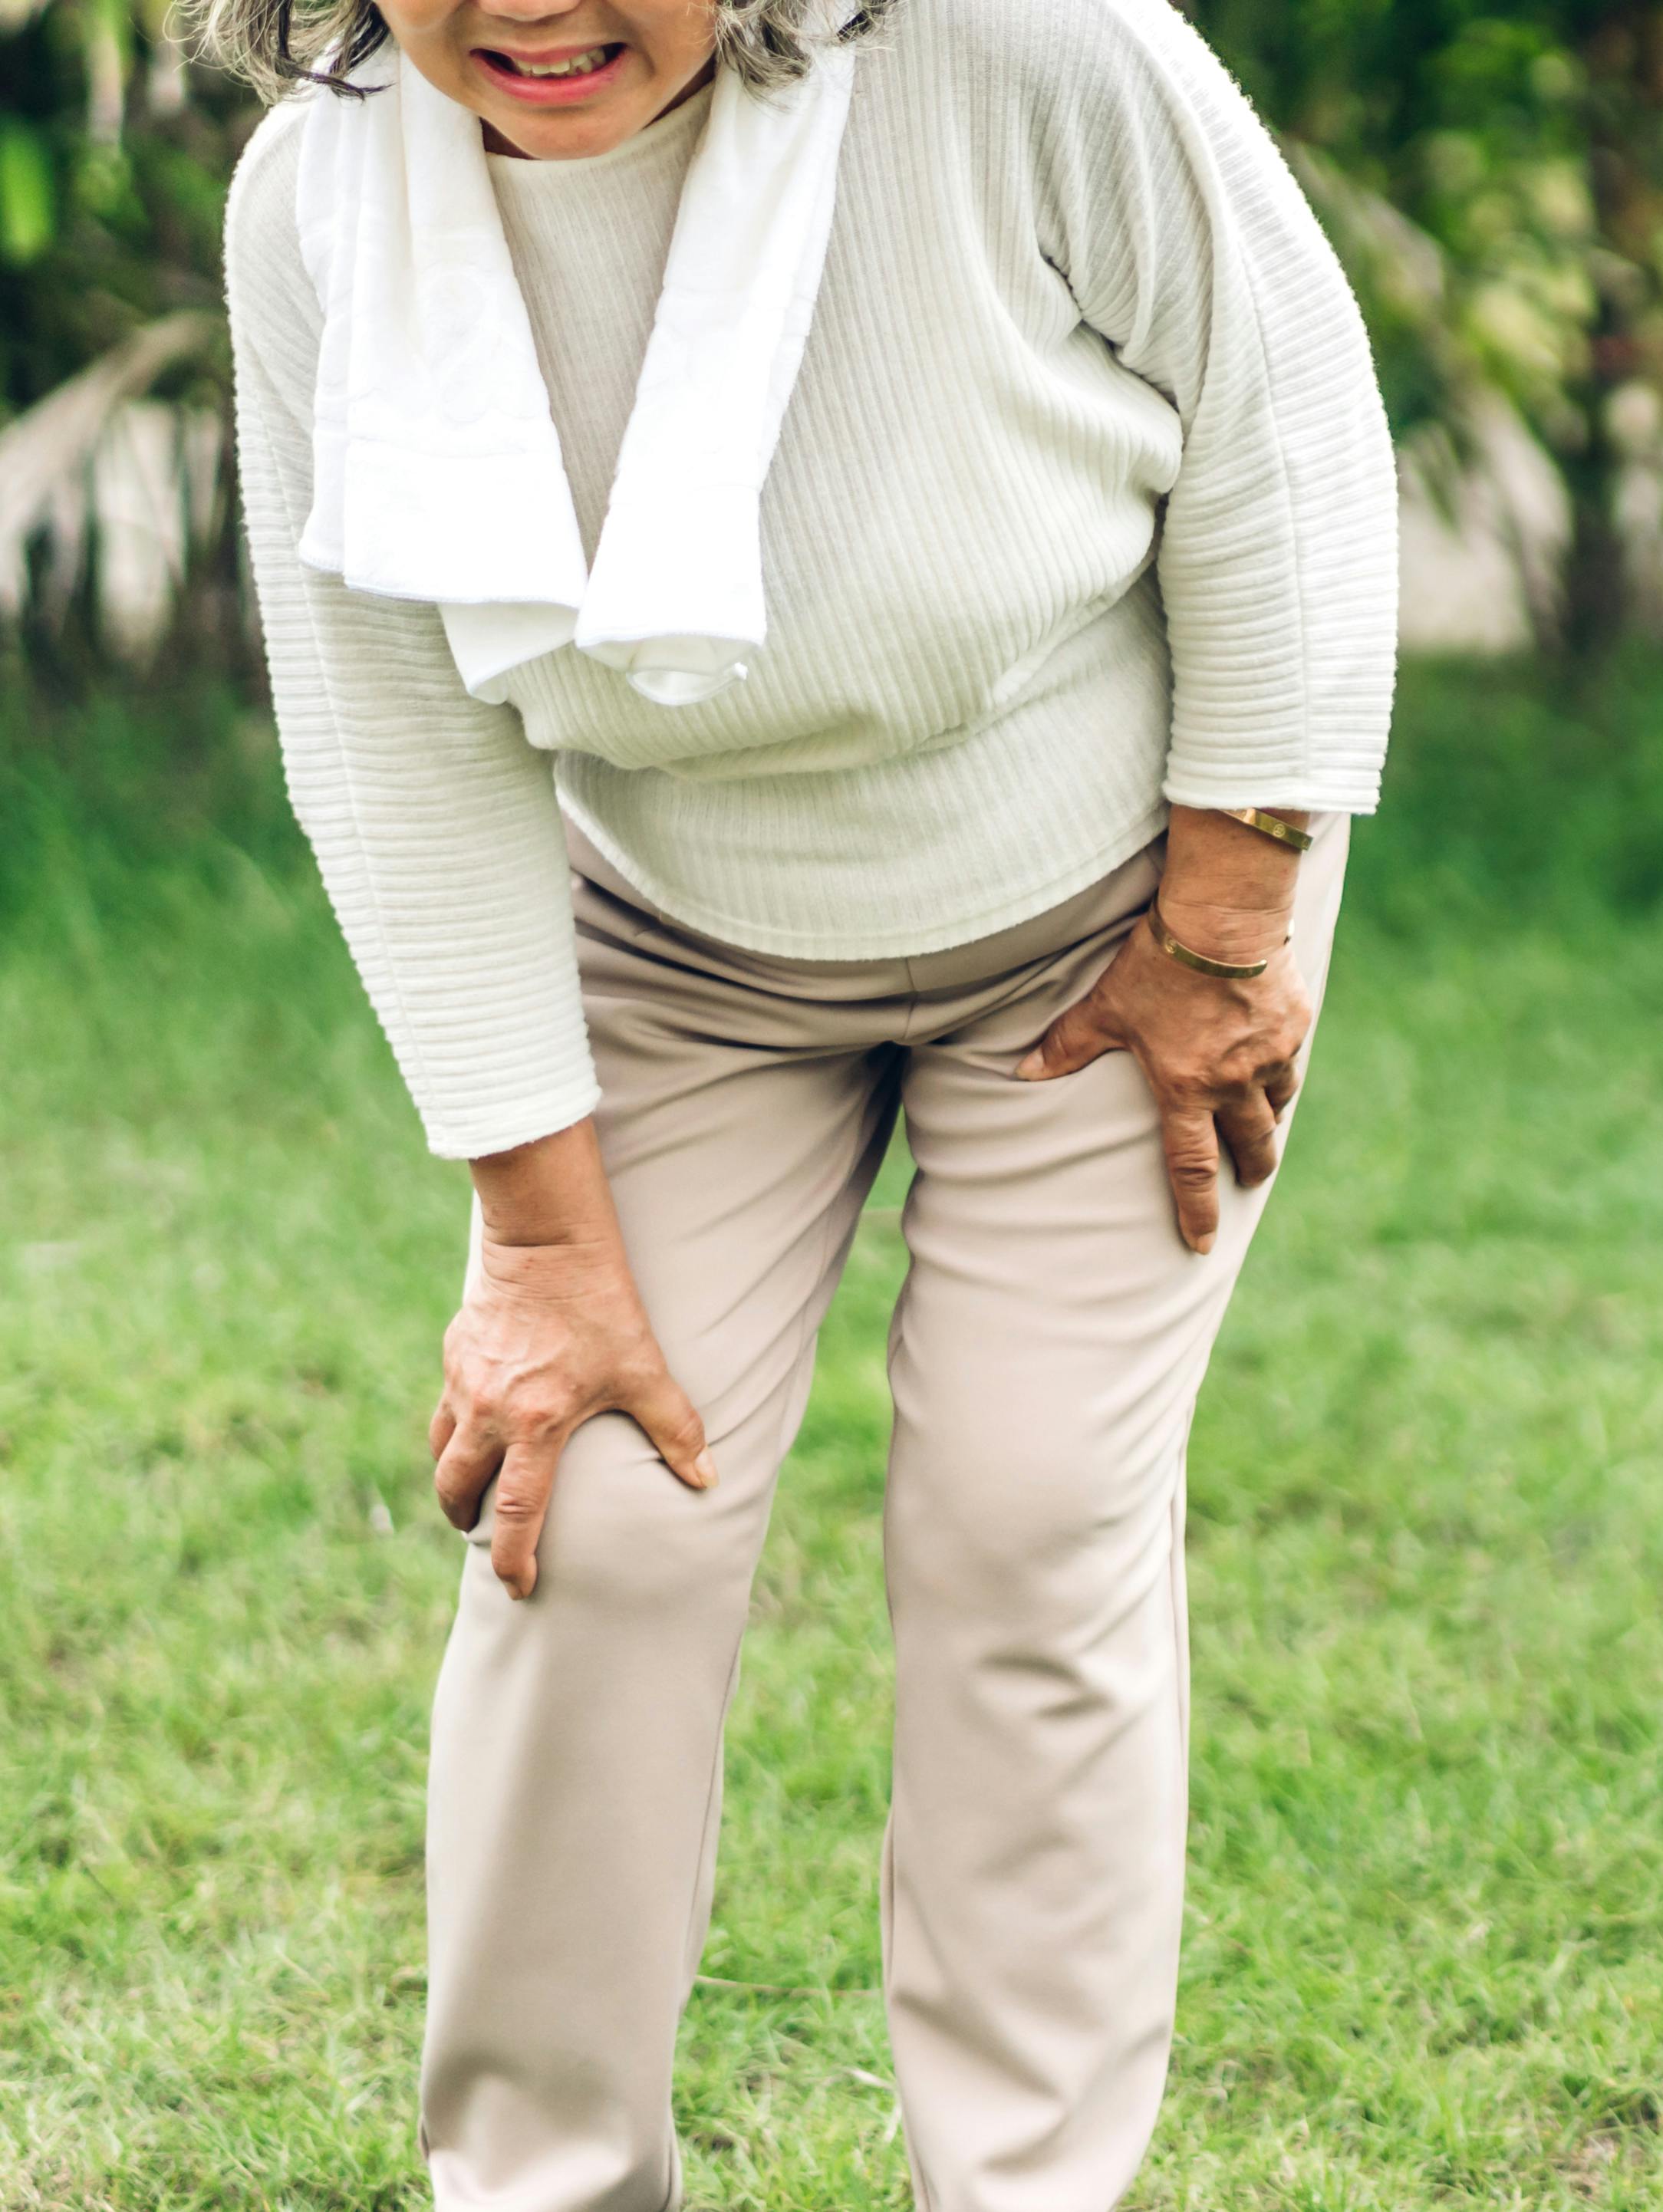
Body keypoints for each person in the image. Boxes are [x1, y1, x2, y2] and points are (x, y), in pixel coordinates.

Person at [196, 0, 1395, 2191]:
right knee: (600, 1531)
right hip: (671, 940)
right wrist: (540, 1237)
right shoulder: (316, 206)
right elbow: (390, 725)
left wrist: (1228, 927)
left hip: (1121, 924)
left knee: (1029, 1520)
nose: (532, 11)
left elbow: (1281, 428)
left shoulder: (1032, 55)